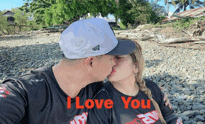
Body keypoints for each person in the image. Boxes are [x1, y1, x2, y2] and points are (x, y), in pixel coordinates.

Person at [0, 18, 136, 124]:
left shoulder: (96, 89)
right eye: (112, 57)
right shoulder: (23, 92)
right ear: (91, 62)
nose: (114, 62)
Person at [87, 39, 182, 124]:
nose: (112, 62)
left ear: (136, 66)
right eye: (110, 58)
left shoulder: (150, 87)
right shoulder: (102, 100)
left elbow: (170, 117)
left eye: (119, 58)